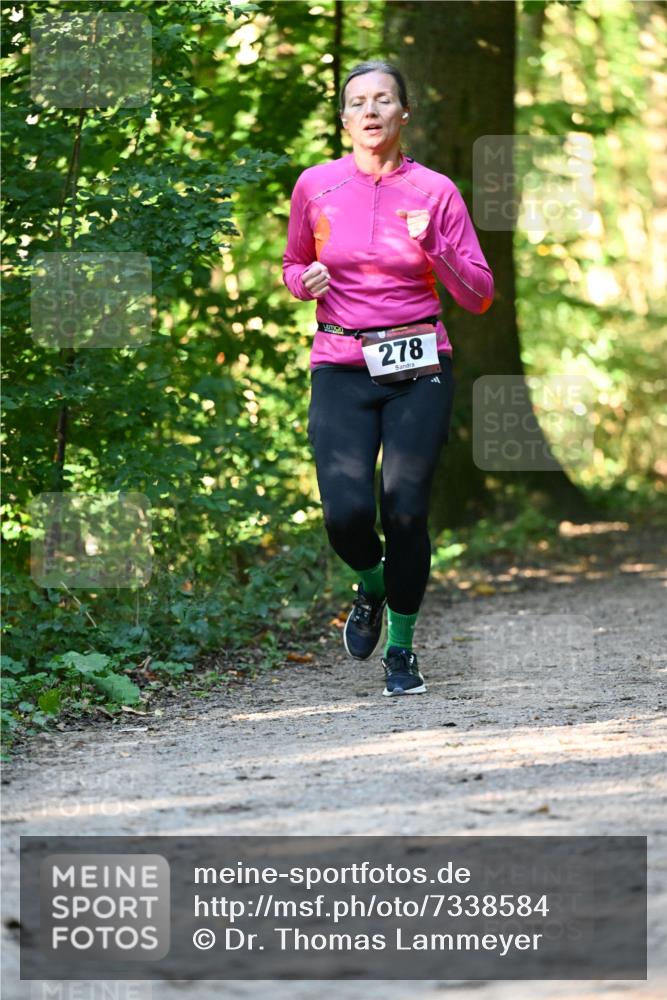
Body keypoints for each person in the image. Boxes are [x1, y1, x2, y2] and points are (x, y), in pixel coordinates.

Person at [282, 60, 494, 696]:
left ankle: (401, 650)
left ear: (405, 114)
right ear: (344, 120)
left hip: (418, 365)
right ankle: (372, 584)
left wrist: (437, 248)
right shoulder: (316, 186)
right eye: (358, 102)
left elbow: (479, 294)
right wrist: (304, 282)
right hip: (340, 364)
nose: (370, 111)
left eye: (383, 100)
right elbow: (293, 263)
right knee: (346, 515)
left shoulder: (436, 191)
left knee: (405, 510)